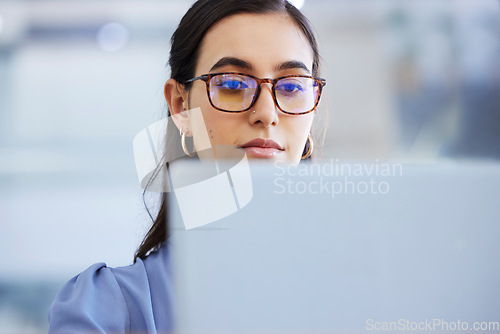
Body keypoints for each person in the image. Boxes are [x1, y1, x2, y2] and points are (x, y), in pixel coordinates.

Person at [48, 0, 326, 332]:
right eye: (234, 84)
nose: (267, 113)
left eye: (292, 86)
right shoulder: (105, 310)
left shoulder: (358, 291)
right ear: (181, 106)